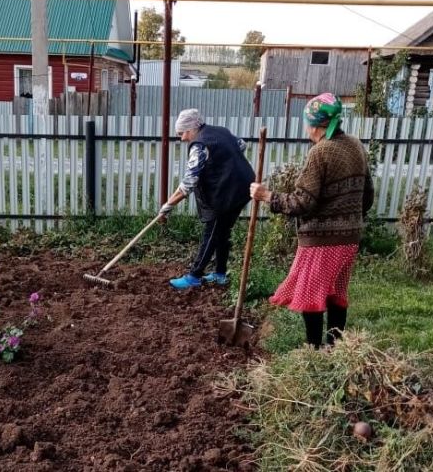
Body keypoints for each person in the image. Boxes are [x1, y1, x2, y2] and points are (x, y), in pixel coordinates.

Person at [250, 93, 374, 348]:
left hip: (321, 241)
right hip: (349, 239)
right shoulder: (356, 145)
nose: (305, 127)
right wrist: (349, 218)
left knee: (311, 294)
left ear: (315, 125)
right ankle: (334, 347)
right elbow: (368, 195)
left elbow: (301, 202)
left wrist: (266, 196)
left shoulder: (320, 153)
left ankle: (313, 350)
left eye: (306, 122)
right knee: (336, 293)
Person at [159, 109, 255, 289]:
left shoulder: (200, 145)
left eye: (182, 133)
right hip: (244, 186)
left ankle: (194, 276)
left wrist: (168, 205)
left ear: (191, 129)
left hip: (228, 192)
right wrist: (224, 165)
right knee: (222, 231)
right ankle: (220, 274)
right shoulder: (221, 131)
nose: (181, 138)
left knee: (212, 231)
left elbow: (189, 182)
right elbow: (241, 145)